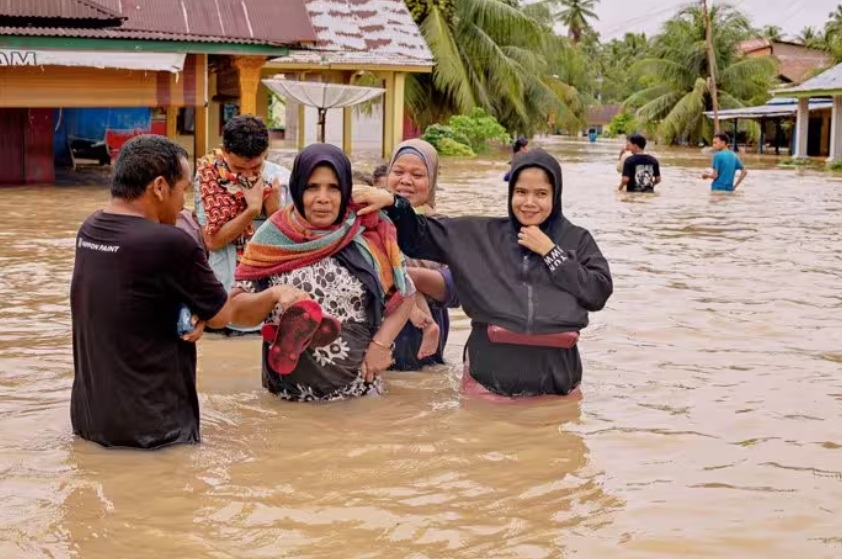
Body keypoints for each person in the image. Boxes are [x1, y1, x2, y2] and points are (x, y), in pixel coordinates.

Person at [355, 149, 613, 398]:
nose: (529, 202)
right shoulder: (481, 235)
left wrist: (551, 253)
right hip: (486, 387)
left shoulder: (577, 240)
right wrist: (393, 202)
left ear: (555, 196)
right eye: (521, 192)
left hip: (559, 388)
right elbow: (419, 234)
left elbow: (597, 293)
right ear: (511, 193)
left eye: (541, 194)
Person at [70, 135, 235, 449]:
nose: (184, 204)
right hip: (156, 429)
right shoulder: (170, 242)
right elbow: (222, 316)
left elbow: (133, 300)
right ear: (160, 187)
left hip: (91, 420)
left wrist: (189, 308)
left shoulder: (90, 229)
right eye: (183, 189)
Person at [228, 144, 415, 402]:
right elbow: (235, 312)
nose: (323, 198)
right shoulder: (272, 236)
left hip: (358, 395)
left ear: (346, 190)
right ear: (297, 188)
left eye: (333, 188)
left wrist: (381, 345)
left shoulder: (368, 232)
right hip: (286, 399)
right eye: (312, 187)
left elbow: (406, 295)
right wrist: (273, 294)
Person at [194, 114, 291, 335]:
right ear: (225, 152)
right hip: (222, 301)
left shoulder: (282, 180)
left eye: (256, 168)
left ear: (265, 154)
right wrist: (252, 210)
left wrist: (273, 212)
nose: (247, 176)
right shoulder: (209, 178)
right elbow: (213, 242)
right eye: (238, 169)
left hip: (267, 307)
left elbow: (289, 246)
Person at [385, 140, 460, 371]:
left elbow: (459, 289)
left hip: (426, 341)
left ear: (432, 180)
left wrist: (403, 276)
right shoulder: (373, 221)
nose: (405, 180)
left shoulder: (443, 230)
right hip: (380, 340)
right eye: (398, 172)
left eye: (417, 175)